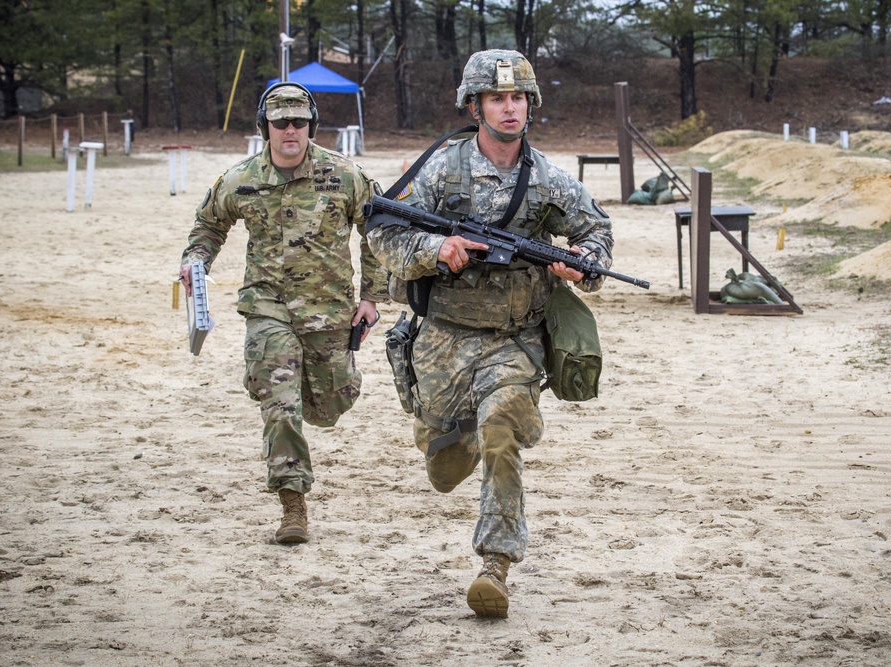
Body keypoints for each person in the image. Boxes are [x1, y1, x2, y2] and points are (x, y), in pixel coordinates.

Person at [366, 49, 615, 618]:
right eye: (498, 98)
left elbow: (598, 234)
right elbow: (382, 233)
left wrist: (583, 262)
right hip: (443, 339)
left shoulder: (550, 180)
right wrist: (437, 249)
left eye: (518, 98)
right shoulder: (440, 170)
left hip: (514, 339)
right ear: (474, 106)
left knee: (501, 431)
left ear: (531, 106)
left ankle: (495, 565)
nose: (510, 108)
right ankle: (456, 435)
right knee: (442, 457)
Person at [178, 82, 388, 545]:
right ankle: (293, 504)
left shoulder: (344, 174)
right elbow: (208, 226)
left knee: (331, 402)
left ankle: (332, 387)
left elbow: (378, 231)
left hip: (329, 313)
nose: (290, 130)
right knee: (281, 404)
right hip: (267, 307)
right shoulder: (241, 178)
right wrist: (195, 262)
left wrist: (371, 299)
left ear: (310, 125)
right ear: (265, 127)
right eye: (280, 122)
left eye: (299, 121)